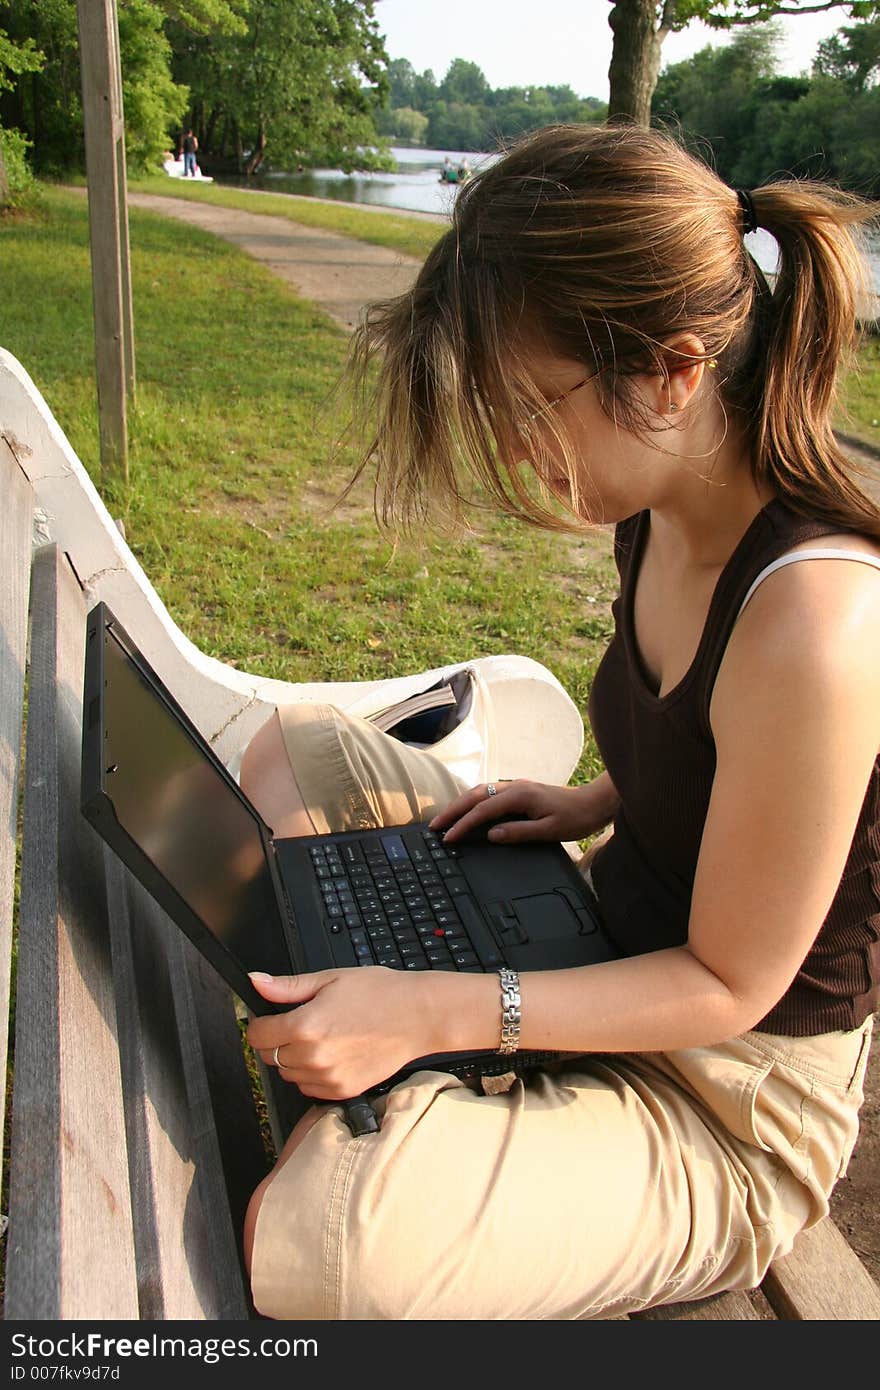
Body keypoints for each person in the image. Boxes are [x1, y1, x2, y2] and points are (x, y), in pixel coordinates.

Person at [238, 123, 880, 1320]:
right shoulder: (658, 496)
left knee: (329, 1246)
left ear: (672, 371)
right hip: (602, 941)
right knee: (293, 751)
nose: (509, 450)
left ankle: (430, 1073)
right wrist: (600, 799)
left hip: (723, 1104)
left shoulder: (818, 621)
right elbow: (721, 760)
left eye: (530, 406)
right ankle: (430, 1063)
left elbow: (732, 981)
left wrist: (443, 1005)